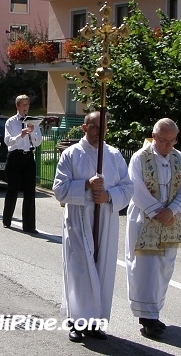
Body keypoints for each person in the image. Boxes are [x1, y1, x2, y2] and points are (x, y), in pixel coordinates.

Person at [52, 111, 133, 342]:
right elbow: (59, 189)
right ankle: (77, 321)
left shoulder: (114, 155)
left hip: (105, 218)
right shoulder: (71, 154)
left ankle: (96, 321)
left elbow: (128, 188)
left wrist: (108, 195)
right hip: (78, 218)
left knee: (102, 267)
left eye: (103, 127)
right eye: (95, 127)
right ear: (85, 128)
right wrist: (86, 185)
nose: (100, 132)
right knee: (80, 269)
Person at [125, 118, 181, 338]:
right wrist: (156, 211)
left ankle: (155, 312)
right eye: (164, 141)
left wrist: (171, 211)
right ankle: (147, 318)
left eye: (172, 141)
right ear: (154, 137)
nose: (168, 146)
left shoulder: (179, 158)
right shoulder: (140, 158)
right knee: (146, 268)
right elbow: (135, 186)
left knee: (164, 268)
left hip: (170, 220)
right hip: (145, 219)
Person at [2, 94, 42, 233]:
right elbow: (8, 141)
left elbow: (38, 142)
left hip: (28, 157)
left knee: (30, 191)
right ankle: (7, 219)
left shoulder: (33, 122)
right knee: (12, 189)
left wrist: (31, 133)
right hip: (14, 156)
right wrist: (21, 134)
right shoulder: (10, 122)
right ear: (17, 106)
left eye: (27, 105)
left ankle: (29, 225)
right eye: (23, 105)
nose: (26, 108)